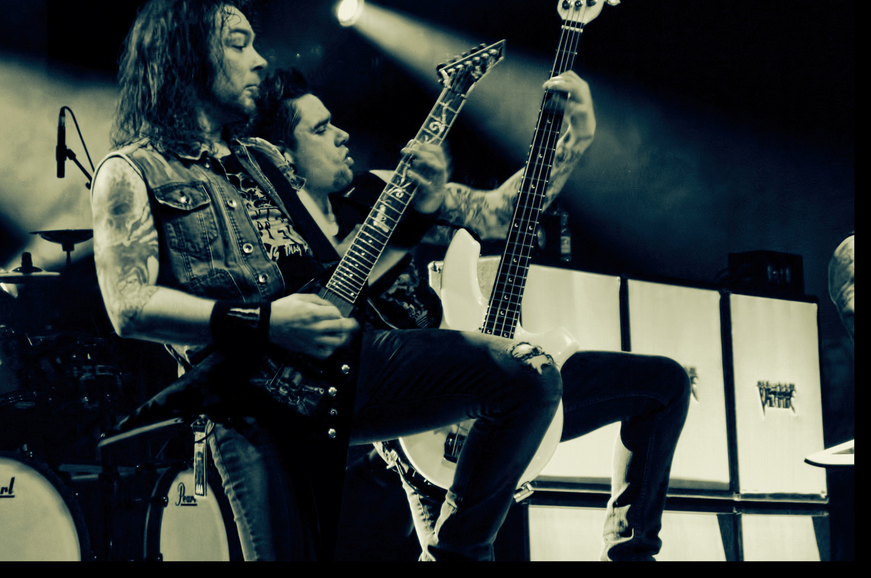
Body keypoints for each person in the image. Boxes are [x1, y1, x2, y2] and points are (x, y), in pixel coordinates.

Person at [90, 0, 563, 561]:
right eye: (238, 43)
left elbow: (340, 271)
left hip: (350, 364)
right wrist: (266, 323)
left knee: (528, 374)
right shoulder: (129, 171)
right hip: (247, 408)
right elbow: (129, 306)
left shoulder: (263, 159)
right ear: (184, 53)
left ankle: (456, 553)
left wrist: (419, 214)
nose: (259, 60)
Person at [252, 67, 692, 561]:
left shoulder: (379, 189)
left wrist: (574, 140)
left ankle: (633, 552)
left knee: (664, 385)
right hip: (420, 423)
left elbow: (500, 213)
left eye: (334, 122)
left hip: (485, 372)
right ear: (279, 154)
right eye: (320, 129)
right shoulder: (269, 232)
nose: (342, 134)